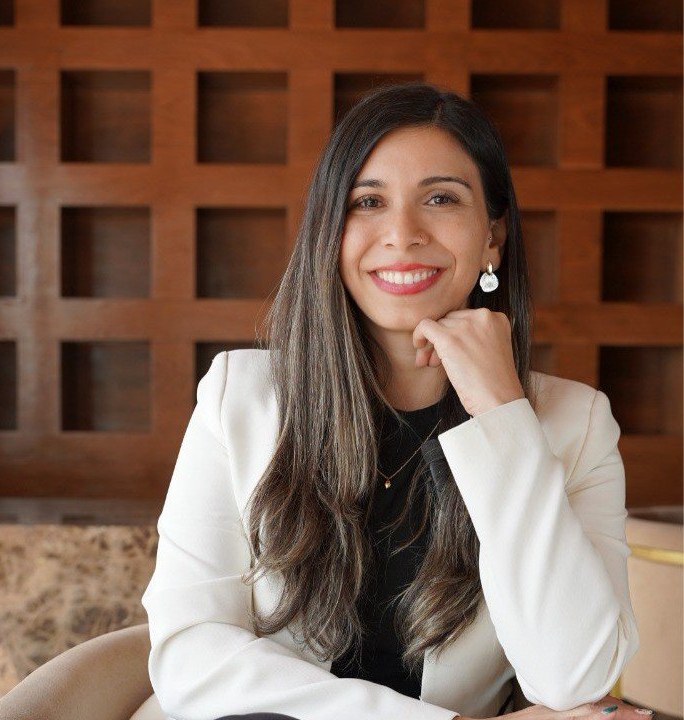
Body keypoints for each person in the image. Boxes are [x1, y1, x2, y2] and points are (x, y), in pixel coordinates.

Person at [140, 82, 651, 720]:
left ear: (492, 237)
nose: (402, 234)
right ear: (330, 231)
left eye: (441, 198)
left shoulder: (578, 424)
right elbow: (190, 655)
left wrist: (503, 414)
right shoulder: (236, 397)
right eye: (368, 202)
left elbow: (576, 678)